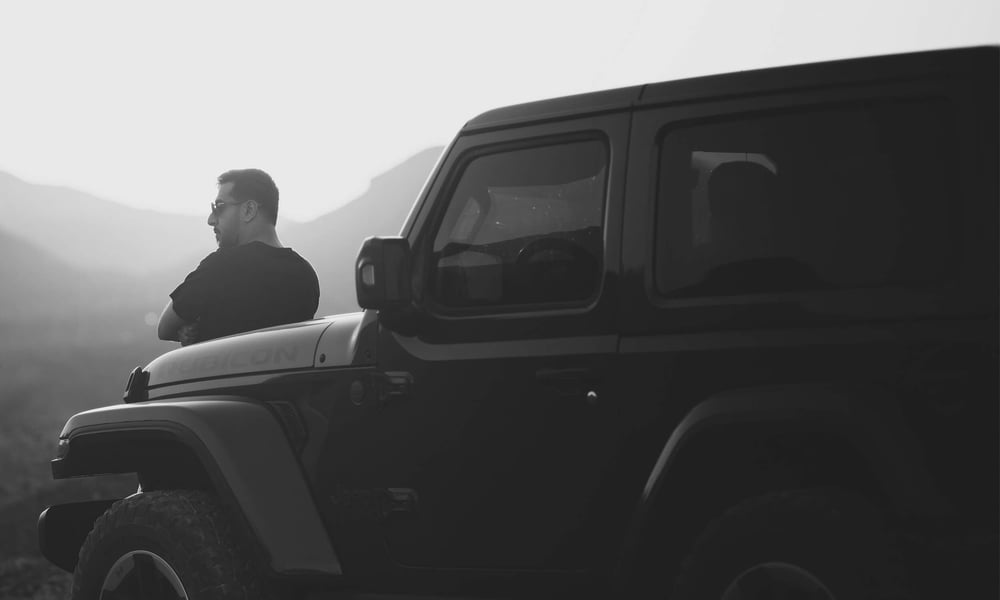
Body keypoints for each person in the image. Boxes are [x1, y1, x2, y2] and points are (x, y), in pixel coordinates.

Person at [157, 169, 320, 345]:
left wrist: (192, 328)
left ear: (249, 210)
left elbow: (165, 328)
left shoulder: (221, 266)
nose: (211, 219)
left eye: (219, 207)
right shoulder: (304, 274)